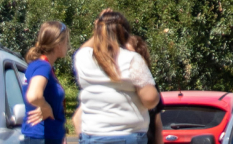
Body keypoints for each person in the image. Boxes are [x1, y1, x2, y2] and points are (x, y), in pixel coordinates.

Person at [73, 10, 159, 144]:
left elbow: (84, 48)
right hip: (127, 134)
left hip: (92, 135)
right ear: (125, 34)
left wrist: (100, 27)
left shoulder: (83, 58)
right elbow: (150, 99)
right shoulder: (132, 59)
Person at [23, 22, 70, 144]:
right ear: (58, 44)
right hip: (42, 137)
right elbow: (33, 95)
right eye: (66, 42)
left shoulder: (43, 66)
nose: (68, 46)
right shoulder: (42, 66)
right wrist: (46, 107)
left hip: (48, 136)